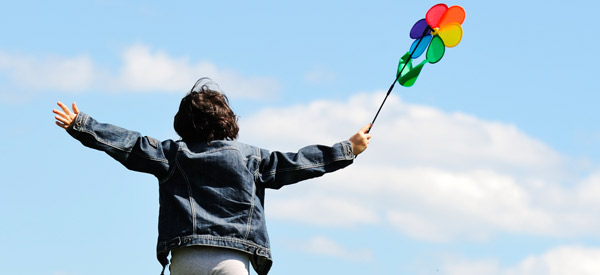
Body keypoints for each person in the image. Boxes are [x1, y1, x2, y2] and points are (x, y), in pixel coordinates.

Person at [53, 78, 372, 275]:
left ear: (182, 123)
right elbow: (298, 163)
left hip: (186, 258)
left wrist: (81, 124)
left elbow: (130, 143)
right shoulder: (252, 158)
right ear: (229, 121)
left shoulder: (172, 154)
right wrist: (347, 149)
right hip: (230, 260)